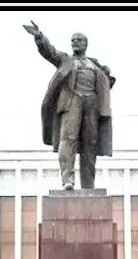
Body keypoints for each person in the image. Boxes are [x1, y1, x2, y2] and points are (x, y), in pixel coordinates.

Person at [23, 21, 115, 190]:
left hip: (91, 105)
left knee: (90, 144)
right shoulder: (66, 60)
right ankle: (68, 180)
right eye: (73, 40)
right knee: (68, 140)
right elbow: (50, 52)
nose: (74, 43)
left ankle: (88, 186)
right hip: (71, 103)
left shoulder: (94, 64)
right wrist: (39, 37)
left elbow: (106, 83)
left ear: (85, 44)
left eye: (78, 40)